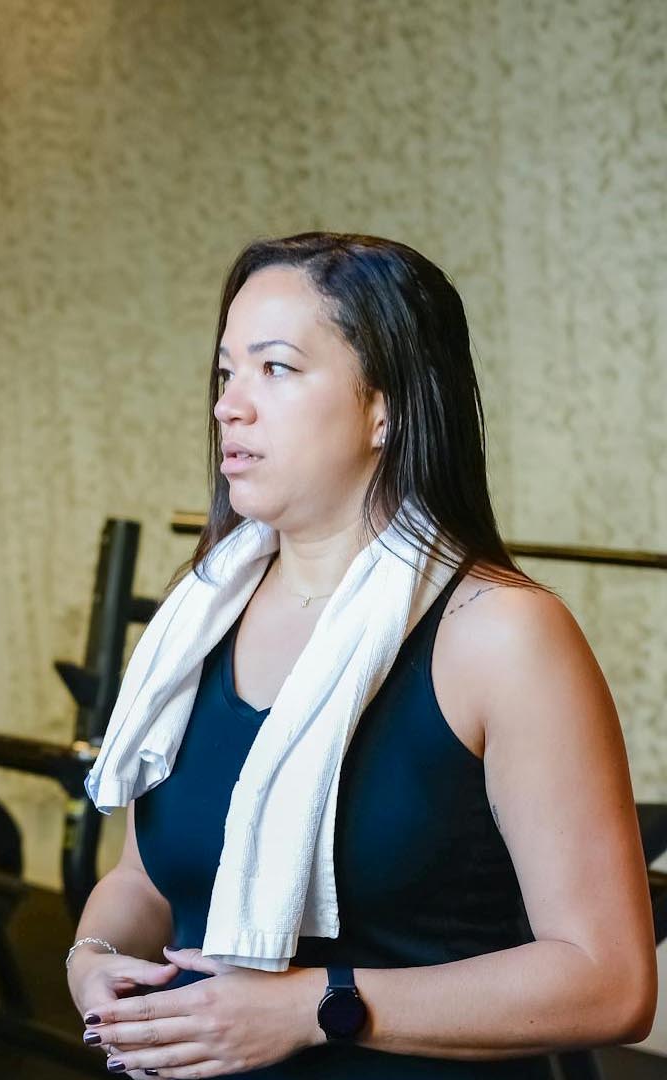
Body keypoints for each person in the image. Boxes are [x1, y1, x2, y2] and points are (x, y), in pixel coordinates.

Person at [65, 233, 655, 1077]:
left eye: (276, 368)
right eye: (227, 372)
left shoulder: (501, 634)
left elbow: (610, 984)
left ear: (388, 408)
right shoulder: (201, 614)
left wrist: (314, 1010)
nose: (229, 405)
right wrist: (91, 957)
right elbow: (146, 879)